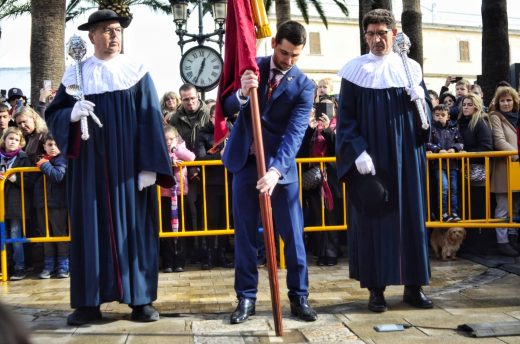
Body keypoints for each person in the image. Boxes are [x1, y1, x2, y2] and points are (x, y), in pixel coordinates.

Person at [44, 9, 174, 325]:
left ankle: (141, 299)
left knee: (134, 230)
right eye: (105, 30)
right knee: (90, 230)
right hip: (89, 170)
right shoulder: (76, 75)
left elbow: (150, 120)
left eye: (116, 29)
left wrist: (150, 167)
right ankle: (88, 302)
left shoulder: (137, 72)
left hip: (130, 170)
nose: (113, 35)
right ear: (91, 37)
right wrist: (71, 115)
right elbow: (54, 114)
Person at [336, 9, 433, 313]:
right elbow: (346, 119)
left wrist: (422, 102)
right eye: (371, 34)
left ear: (394, 34)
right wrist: (357, 151)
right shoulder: (354, 71)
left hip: (408, 156)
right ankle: (376, 290)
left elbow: (425, 121)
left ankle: (414, 287)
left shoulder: (411, 68)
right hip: (372, 159)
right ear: (365, 36)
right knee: (374, 222)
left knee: (411, 220)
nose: (377, 39)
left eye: (382, 33)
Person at [221, 20, 318, 324]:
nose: (288, 60)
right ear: (275, 42)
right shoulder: (253, 66)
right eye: (285, 52)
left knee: (293, 235)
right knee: (246, 235)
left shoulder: (304, 86)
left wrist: (275, 170)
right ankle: (246, 298)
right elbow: (224, 106)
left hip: (281, 171)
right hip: (245, 164)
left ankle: (299, 296)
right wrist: (241, 93)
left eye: (295, 56)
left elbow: (296, 132)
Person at [169, 83, 210, 264]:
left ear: (197, 97)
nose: (190, 102)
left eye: (192, 98)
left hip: (208, 168)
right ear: (181, 100)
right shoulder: (174, 119)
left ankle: (208, 251)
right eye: (185, 99)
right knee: (190, 211)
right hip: (184, 171)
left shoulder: (209, 114)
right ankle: (191, 251)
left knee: (209, 212)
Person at [195, 105, 233, 269]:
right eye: (216, 117)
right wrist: (220, 155)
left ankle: (222, 254)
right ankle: (209, 254)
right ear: (210, 118)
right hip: (211, 182)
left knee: (225, 219)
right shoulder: (203, 133)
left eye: (223, 117)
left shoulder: (231, 129)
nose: (221, 121)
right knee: (211, 219)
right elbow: (200, 158)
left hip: (229, 180)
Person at [489, 86, 519, 256]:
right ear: (498, 102)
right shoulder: (495, 117)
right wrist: (517, 156)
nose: (506, 103)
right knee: (503, 206)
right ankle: (503, 241)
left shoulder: (518, 117)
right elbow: (499, 141)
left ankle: (513, 238)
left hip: (518, 168)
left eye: (509, 100)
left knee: (516, 205)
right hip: (505, 167)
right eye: (502, 100)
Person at [34, 133, 70, 279]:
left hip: (58, 204)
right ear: (44, 146)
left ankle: (63, 266)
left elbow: (58, 176)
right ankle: (48, 266)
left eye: (56, 144)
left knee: (60, 235)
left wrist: (44, 164)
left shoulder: (62, 159)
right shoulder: (42, 160)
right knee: (45, 236)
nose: (53, 147)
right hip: (42, 204)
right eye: (49, 145)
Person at [160, 125, 195, 273]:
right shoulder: (160, 149)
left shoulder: (181, 148)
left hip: (181, 194)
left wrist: (175, 150)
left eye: (171, 139)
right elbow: (158, 161)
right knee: (166, 229)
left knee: (181, 229)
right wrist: (170, 161)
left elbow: (191, 158)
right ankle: (167, 262)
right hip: (164, 194)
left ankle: (180, 261)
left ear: (177, 139)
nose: (168, 142)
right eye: (166, 139)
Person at [0, 127, 32, 281]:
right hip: (1, 203)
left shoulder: (23, 157)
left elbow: (30, 181)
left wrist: (14, 179)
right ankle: (5, 266)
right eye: (10, 138)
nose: (12, 142)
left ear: (20, 143)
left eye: (16, 140)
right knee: (3, 235)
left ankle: (19, 267)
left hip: (16, 203)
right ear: (4, 140)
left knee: (15, 235)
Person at [426, 104, 464, 222]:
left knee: (453, 188)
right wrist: (437, 150)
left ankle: (453, 212)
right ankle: (443, 213)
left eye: (443, 115)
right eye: (437, 115)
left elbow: (461, 142)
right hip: (438, 165)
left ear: (448, 116)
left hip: (452, 164)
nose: (440, 117)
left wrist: (454, 148)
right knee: (444, 187)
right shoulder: (431, 129)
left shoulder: (454, 129)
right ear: (433, 116)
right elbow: (427, 143)